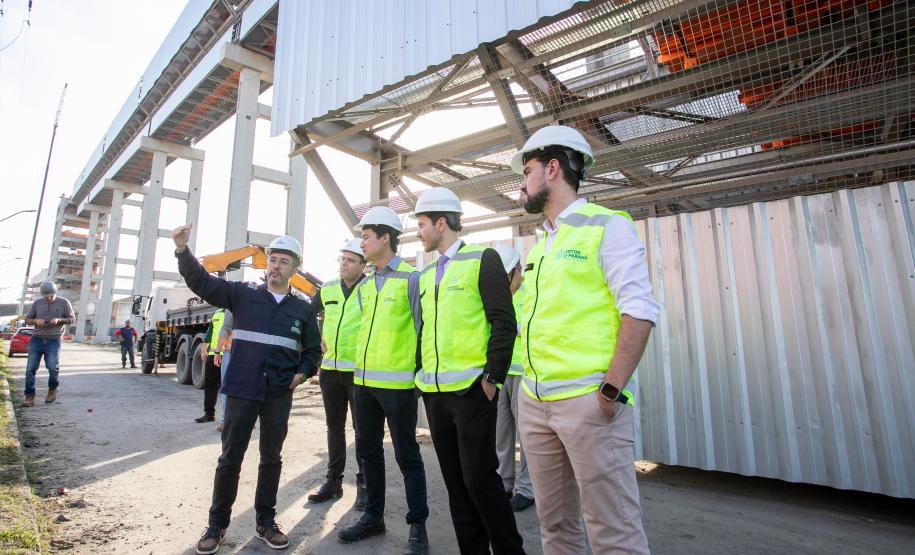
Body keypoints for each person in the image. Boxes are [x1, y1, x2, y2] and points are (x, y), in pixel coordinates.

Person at [512, 125, 659, 554]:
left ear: (552, 168)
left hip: (589, 404)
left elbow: (640, 311)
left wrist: (610, 391)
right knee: (555, 525)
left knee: (613, 532)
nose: (522, 183)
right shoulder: (541, 245)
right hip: (536, 404)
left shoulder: (606, 226)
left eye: (527, 171)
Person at [171, 225, 322, 555]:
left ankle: (266, 522)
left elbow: (313, 350)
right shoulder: (243, 295)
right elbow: (202, 282)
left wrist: (302, 374)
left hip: (279, 393)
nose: (276, 266)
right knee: (230, 459)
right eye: (273, 260)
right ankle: (217, 525)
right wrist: (183, 251)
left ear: (295, 268)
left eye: (284, 261)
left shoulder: (302, 308)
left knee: (271, 459)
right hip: (242, 389)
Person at [413, 188, 525, 554]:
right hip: (436, 395)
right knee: (456, 485)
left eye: (422, 224)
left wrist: (491, 379)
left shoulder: (483, 259)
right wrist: (421, 380)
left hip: (473, 392)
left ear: (441, 223)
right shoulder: (428, 273)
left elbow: (504, 323)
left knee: (481, 480)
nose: (418, 232)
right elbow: (425, 329)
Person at [336, 206, 429, 555]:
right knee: (367, 452)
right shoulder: (367, 283)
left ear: (385, 237)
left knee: (408, 456)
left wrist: (418, 380)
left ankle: (417, 526)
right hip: (364, 385)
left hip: (399, 387)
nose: (362, 241)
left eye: (366, 235)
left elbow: (423, 333)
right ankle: (373, 516)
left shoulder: (411, 279)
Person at [307, 239, 367, 509]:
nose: (344, 264)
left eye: (350, 260)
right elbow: (308, 315)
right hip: (330, 369)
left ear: (363, 265)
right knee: (334, 427)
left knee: (363, 429)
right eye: (342, 259)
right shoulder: (328, 288)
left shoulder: (371, 288)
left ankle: (364, 483)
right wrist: (314, 339)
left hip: (359, 371)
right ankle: (333, 481)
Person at [490, 244, 534, 512]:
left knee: (527, 435)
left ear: (518, 270)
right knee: (501, 431)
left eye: (507, 276)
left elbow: (532, 328)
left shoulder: (530, 293)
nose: (504, 283)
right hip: (501, 371)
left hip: (524, 371)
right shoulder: (497, 294)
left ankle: (527, 489)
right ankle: (504, 482)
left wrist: (511, 326)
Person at [22, 281, 74, 406]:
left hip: (54, 340)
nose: (48, 298)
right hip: (37, 339)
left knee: (52, 366)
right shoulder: (37, 303)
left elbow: (72, 319)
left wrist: (59, 320)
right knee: (30, 368)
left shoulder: (64, 302)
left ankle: (52, 390)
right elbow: (27, 319)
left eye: (51, 296)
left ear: (55, 293)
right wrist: (35, 321)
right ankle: (29, 397)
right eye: (46, 297)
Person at [195, 309, 225, 423]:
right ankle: (209, 414)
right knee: (210, 385)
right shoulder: (217, 312)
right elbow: (210, 332)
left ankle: (233, 418)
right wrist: (203, 349)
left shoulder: (235, 309)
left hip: (228, 354)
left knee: (230, 387)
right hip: (213, 354)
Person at [214, 310, 233, 432]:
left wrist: (217, 352)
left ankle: (224, 421)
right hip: (251, 353)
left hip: (231, 352)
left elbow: (225, 328)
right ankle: (245, 419)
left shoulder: (233, 301)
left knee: (227, 387)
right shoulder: (261, 298)